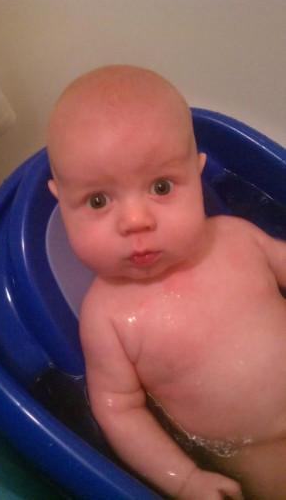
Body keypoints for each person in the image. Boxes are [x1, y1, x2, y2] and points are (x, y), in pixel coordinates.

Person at [47, 65, 286, 500]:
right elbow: (120, 410)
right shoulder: (109, 318)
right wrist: (184, 479)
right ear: (61, 203)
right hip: (258, 454)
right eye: (98, 200)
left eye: (161, 186)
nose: (137, 221)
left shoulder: (236, 238)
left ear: (198, 173)